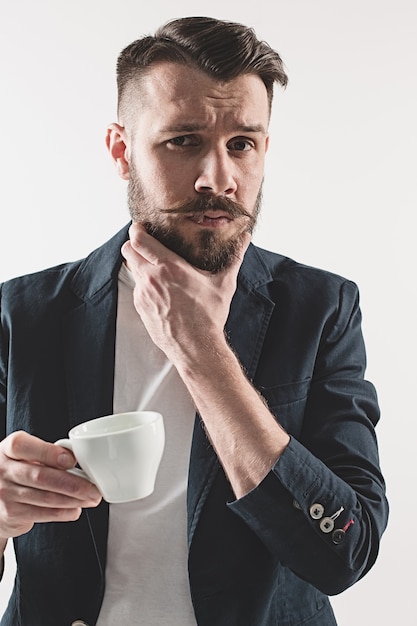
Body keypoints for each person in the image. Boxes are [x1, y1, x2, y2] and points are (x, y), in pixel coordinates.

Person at [0, 16, 388, 626]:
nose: (220, 179)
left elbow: (345, 551)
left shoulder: (321, 309)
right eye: (183, 141)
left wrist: (203, 352)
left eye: (243, 143)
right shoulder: (21, 316)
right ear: (121, 150)